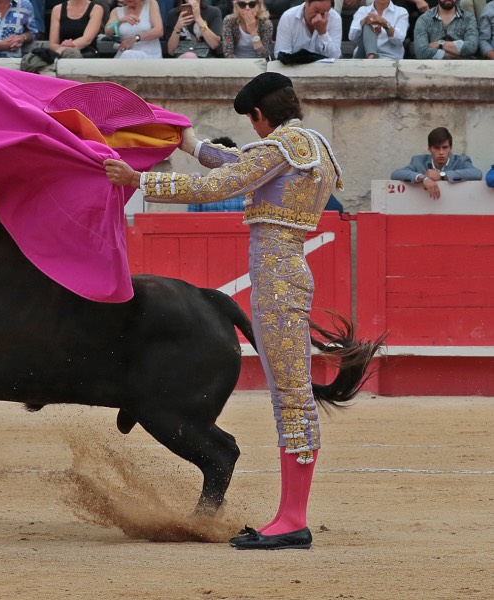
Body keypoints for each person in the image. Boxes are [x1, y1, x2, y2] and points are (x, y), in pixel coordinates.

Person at [104, 72, 343, 550]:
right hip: (288, 275)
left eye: (252, 122)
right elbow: (240, 163)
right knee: (290, 397)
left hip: (277, 284)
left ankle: (293, 519)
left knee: (291, 399)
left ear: (260, 116)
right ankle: (290, 515)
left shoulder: (278, 149)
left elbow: (223, 184)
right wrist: (192, 144)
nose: (254, 132)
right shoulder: (308, 143)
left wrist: (140, 180)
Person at [390, 126, 482, 200]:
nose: (441, 152)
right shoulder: (418, 161)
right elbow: (395, 174)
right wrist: (423, 178)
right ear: (429, 149)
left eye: (445, 147)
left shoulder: (461, 161)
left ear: (451, 148)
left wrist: (442, 175)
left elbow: (477, 174)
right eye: (437, 148)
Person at [274, 0, 343, 59]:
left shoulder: (335, 18)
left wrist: (322, 32)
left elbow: (335, 57)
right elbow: (280, 54)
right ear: (307, 2)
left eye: (324, 13)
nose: (319, 17)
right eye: (316, 11)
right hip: (293, 70)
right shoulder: (288, 17)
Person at [413, 0, 478, 59]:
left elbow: (471, 47)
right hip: (433, 68)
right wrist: (458, 55)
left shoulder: (468, 18)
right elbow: (421, 53)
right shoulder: (424, 19)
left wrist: (440, 44)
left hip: (463, 69)